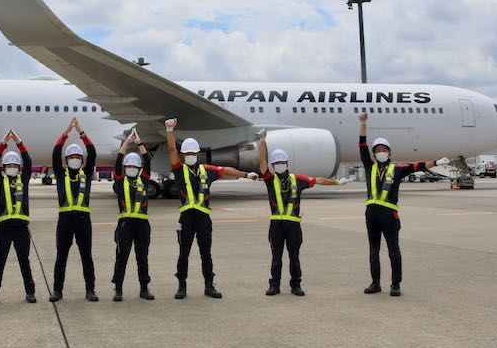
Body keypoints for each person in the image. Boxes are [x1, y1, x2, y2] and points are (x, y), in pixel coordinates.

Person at [359, 112, 451, 296]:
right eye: (377, 150)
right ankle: (375, 283)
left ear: (389, 152)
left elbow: (417, 166)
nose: (380, 153)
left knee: (393, 249)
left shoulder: (397, 169)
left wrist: (436, 162)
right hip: (371, 213)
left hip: (389, 215)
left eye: (384, 150)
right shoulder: (370, 167)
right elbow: (361, 145)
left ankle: (395, 284)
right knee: (373, 250)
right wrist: (363, 124)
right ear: (374, 154)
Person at [165, 117, 258, 299]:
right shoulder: (178, 169)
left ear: (197, 153)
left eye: (193, 153)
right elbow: (171, 149)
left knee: (205, 253)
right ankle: (181, 286)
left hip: (203, 218)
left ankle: (209, 285)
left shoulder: (207, 170)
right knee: (183, 253)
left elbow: (227, 170)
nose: (190, 155)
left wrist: (247, 174)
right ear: (184, 155)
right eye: (187, 153)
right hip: (186, 218)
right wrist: (169, 131)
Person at [257, 128, 348, 296]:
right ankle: (274, 285)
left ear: (287, 163)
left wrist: (336, 183)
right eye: (276, 163)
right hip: (276, 224)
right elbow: (262, 161)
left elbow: (317, 180)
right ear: (273, 165)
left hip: (293, 224)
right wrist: (262, 140)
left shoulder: (297, 180)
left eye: (282, 162)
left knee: (294, 256)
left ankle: (296, 285)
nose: (279, 165)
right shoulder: (270, 179)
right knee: (276, 256)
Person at [49, 117, 98, 302]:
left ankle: (90, 290)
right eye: (71, 157)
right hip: (65, 220)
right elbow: (55, 152)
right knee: (61, 256)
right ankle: (57, 290)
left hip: (83, 220)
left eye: (78, 157)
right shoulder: (61, 174)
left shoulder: (86, 173)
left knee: (87, 256)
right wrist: (66, 132)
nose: (75, 160)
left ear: (82, 160)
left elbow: (92, 152)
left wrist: (82, 133)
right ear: (66, 160)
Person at [0, 129, 36, 304]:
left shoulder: (23, 180)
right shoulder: (0, 181)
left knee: (25, 262)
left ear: (19, 168)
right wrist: (3, 143)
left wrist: (19, 142)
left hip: (21, 229)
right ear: (4, 168)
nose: (12, 168)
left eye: (15, 166)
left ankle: (30, 292)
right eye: (9, 166)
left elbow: (29, 162)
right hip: (3, 229)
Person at [111, 129, 153, 301]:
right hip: (125, 225)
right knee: (121, 258)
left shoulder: (144, 179)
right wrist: (127, 142)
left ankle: (144, 288)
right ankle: (118, 289)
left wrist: (140, 143)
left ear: (139, 168)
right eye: (128, 166)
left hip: (142, 225)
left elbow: (148, 160)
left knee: (142, 258)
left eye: (134, 167)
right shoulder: (120, 180)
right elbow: (118, 161)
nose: (131, 169)